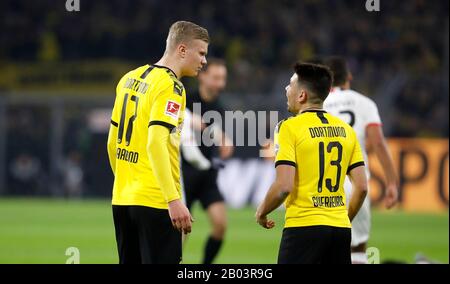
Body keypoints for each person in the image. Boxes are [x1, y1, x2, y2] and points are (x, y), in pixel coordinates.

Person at [106, 21, 209, 264]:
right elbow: (155, 143)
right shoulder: (171, 87)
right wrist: (173, 200)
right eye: (201, 53)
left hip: (122, 200)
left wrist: (126, 181)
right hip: (155, 201)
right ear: (182, 50)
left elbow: (112, 142)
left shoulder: (129, 78)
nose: (204, 61)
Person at [255, 62, 368, 264]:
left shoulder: (289, 128)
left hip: (303, 227)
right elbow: (362, 187)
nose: (286, 89)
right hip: (340, 231)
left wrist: (262, 211)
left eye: (291, 85)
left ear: (302, 96)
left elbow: (283, 186)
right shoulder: (346, 130)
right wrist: (343, 220)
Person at [323, 56, 399, 264]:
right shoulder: (365, 103)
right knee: (357, 247)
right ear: (349, 77)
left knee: (322, 248)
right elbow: (378, 144)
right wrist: (392, 183)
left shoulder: (318, 104)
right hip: (355, 184)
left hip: (322, 187)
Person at [181, 58, 233, 264]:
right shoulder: (186, 100)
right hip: (185, 174)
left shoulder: (220, 107)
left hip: (207, 175)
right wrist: (194, 121)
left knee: (220, 225)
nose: (221, 83)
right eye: (216, 77)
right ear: (202, 76)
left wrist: (224, 142)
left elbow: (216, 137)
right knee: (180, 232)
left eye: (223, 78)